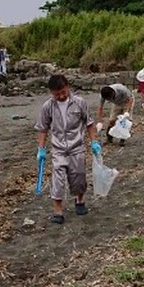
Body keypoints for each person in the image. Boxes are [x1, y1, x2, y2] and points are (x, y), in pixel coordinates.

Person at [35, 74, 101, 224]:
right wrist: (41, 149)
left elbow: (89, 123)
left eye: (63, 92)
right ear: (51, 93)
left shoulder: (79, 103)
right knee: (58, 179)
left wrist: (94, 142)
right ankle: (58, 211)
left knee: (78, 177)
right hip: (58, 149)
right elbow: (43, 128)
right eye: (56, 94)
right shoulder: (48, 106)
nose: (61, 96)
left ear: (68, 87)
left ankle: (79, 200)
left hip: (77, 147)